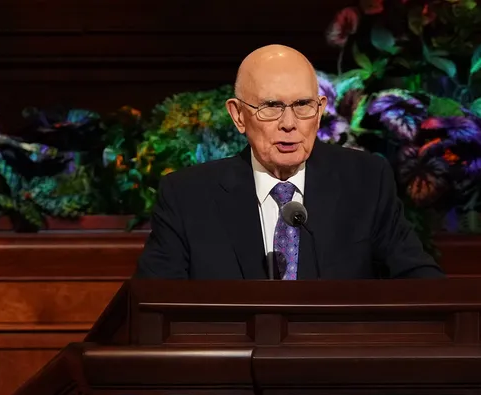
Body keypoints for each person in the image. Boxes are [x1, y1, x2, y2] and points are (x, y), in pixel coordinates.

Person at [134, 44, 444, 279]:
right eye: (271, 107)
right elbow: (153, 304)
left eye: (302, 105)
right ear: (238, 115)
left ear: (320, 111)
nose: (289, 123)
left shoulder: (365, 182)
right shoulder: (187, 197)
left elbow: (420, 281)